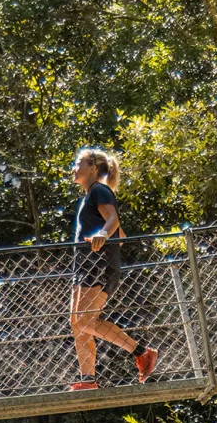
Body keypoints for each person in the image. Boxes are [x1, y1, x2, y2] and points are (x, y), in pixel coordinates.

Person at [65, 147, 158, 391]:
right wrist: (110, 234)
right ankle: (88, 379)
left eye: (78, 163)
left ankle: (141, 352)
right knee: (77, 322)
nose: (74, 168)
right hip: (85, 264)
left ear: (93, 168)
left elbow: (113, 219)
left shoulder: (99, 189)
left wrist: (104, 233)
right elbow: (120, 231)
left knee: (85, 320)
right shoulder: (88, 197)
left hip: (98, 263)